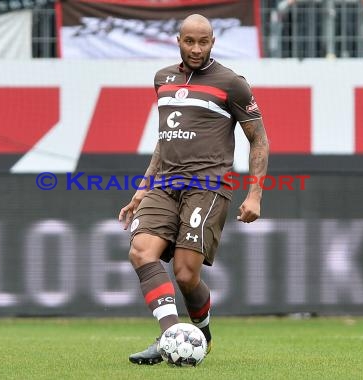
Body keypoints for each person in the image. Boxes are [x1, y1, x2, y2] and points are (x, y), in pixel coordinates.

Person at [118, 14, 269, 365]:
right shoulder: (162, 79)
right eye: (190, 41)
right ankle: (171, 335)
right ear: (179, 41)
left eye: (204, 41)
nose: (196, 48)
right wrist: (143, 188)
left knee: (187, 275)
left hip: (207, 187)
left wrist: (255, 193)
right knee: (141, 252)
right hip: (165, 184)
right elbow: (165, 140)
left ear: (213, 42)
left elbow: (258, 138)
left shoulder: (231, 83)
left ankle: (203, 332)